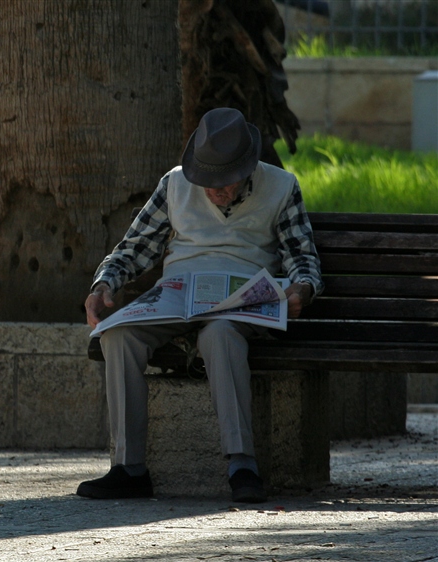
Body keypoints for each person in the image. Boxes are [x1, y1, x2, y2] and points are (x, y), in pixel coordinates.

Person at [78, 107, 324, 503]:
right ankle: (129, 468)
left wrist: (302, 290)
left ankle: (242, 465)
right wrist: (103, 284)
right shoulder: (175, 183)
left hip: (240, 298)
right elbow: (134, 248)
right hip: (177, 292)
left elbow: (302, 257)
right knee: (117, 336)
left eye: (224, 182)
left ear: (247, 168)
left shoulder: (281, 186)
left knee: (220, 335)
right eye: (206, 181)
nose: (214, 191)